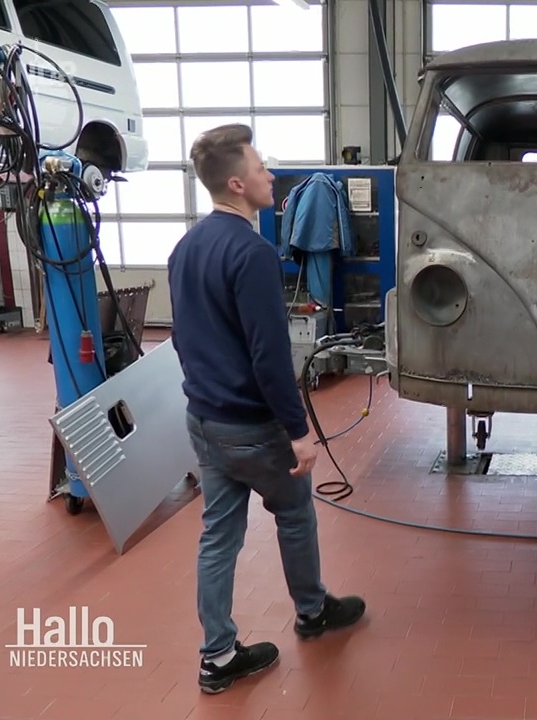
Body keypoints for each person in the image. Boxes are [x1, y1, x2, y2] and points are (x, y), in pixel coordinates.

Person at [169, 123, 367, 695]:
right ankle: (312, 610)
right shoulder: (252, 253)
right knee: (296, 513)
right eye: (260, 169)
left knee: (218, 536)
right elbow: (270, 355)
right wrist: (297, 430)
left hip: (204, 420)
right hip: (252, 426)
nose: (271, 175)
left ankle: (218, 655)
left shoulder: (185, 248)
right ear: (236, 183)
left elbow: (182, 337)